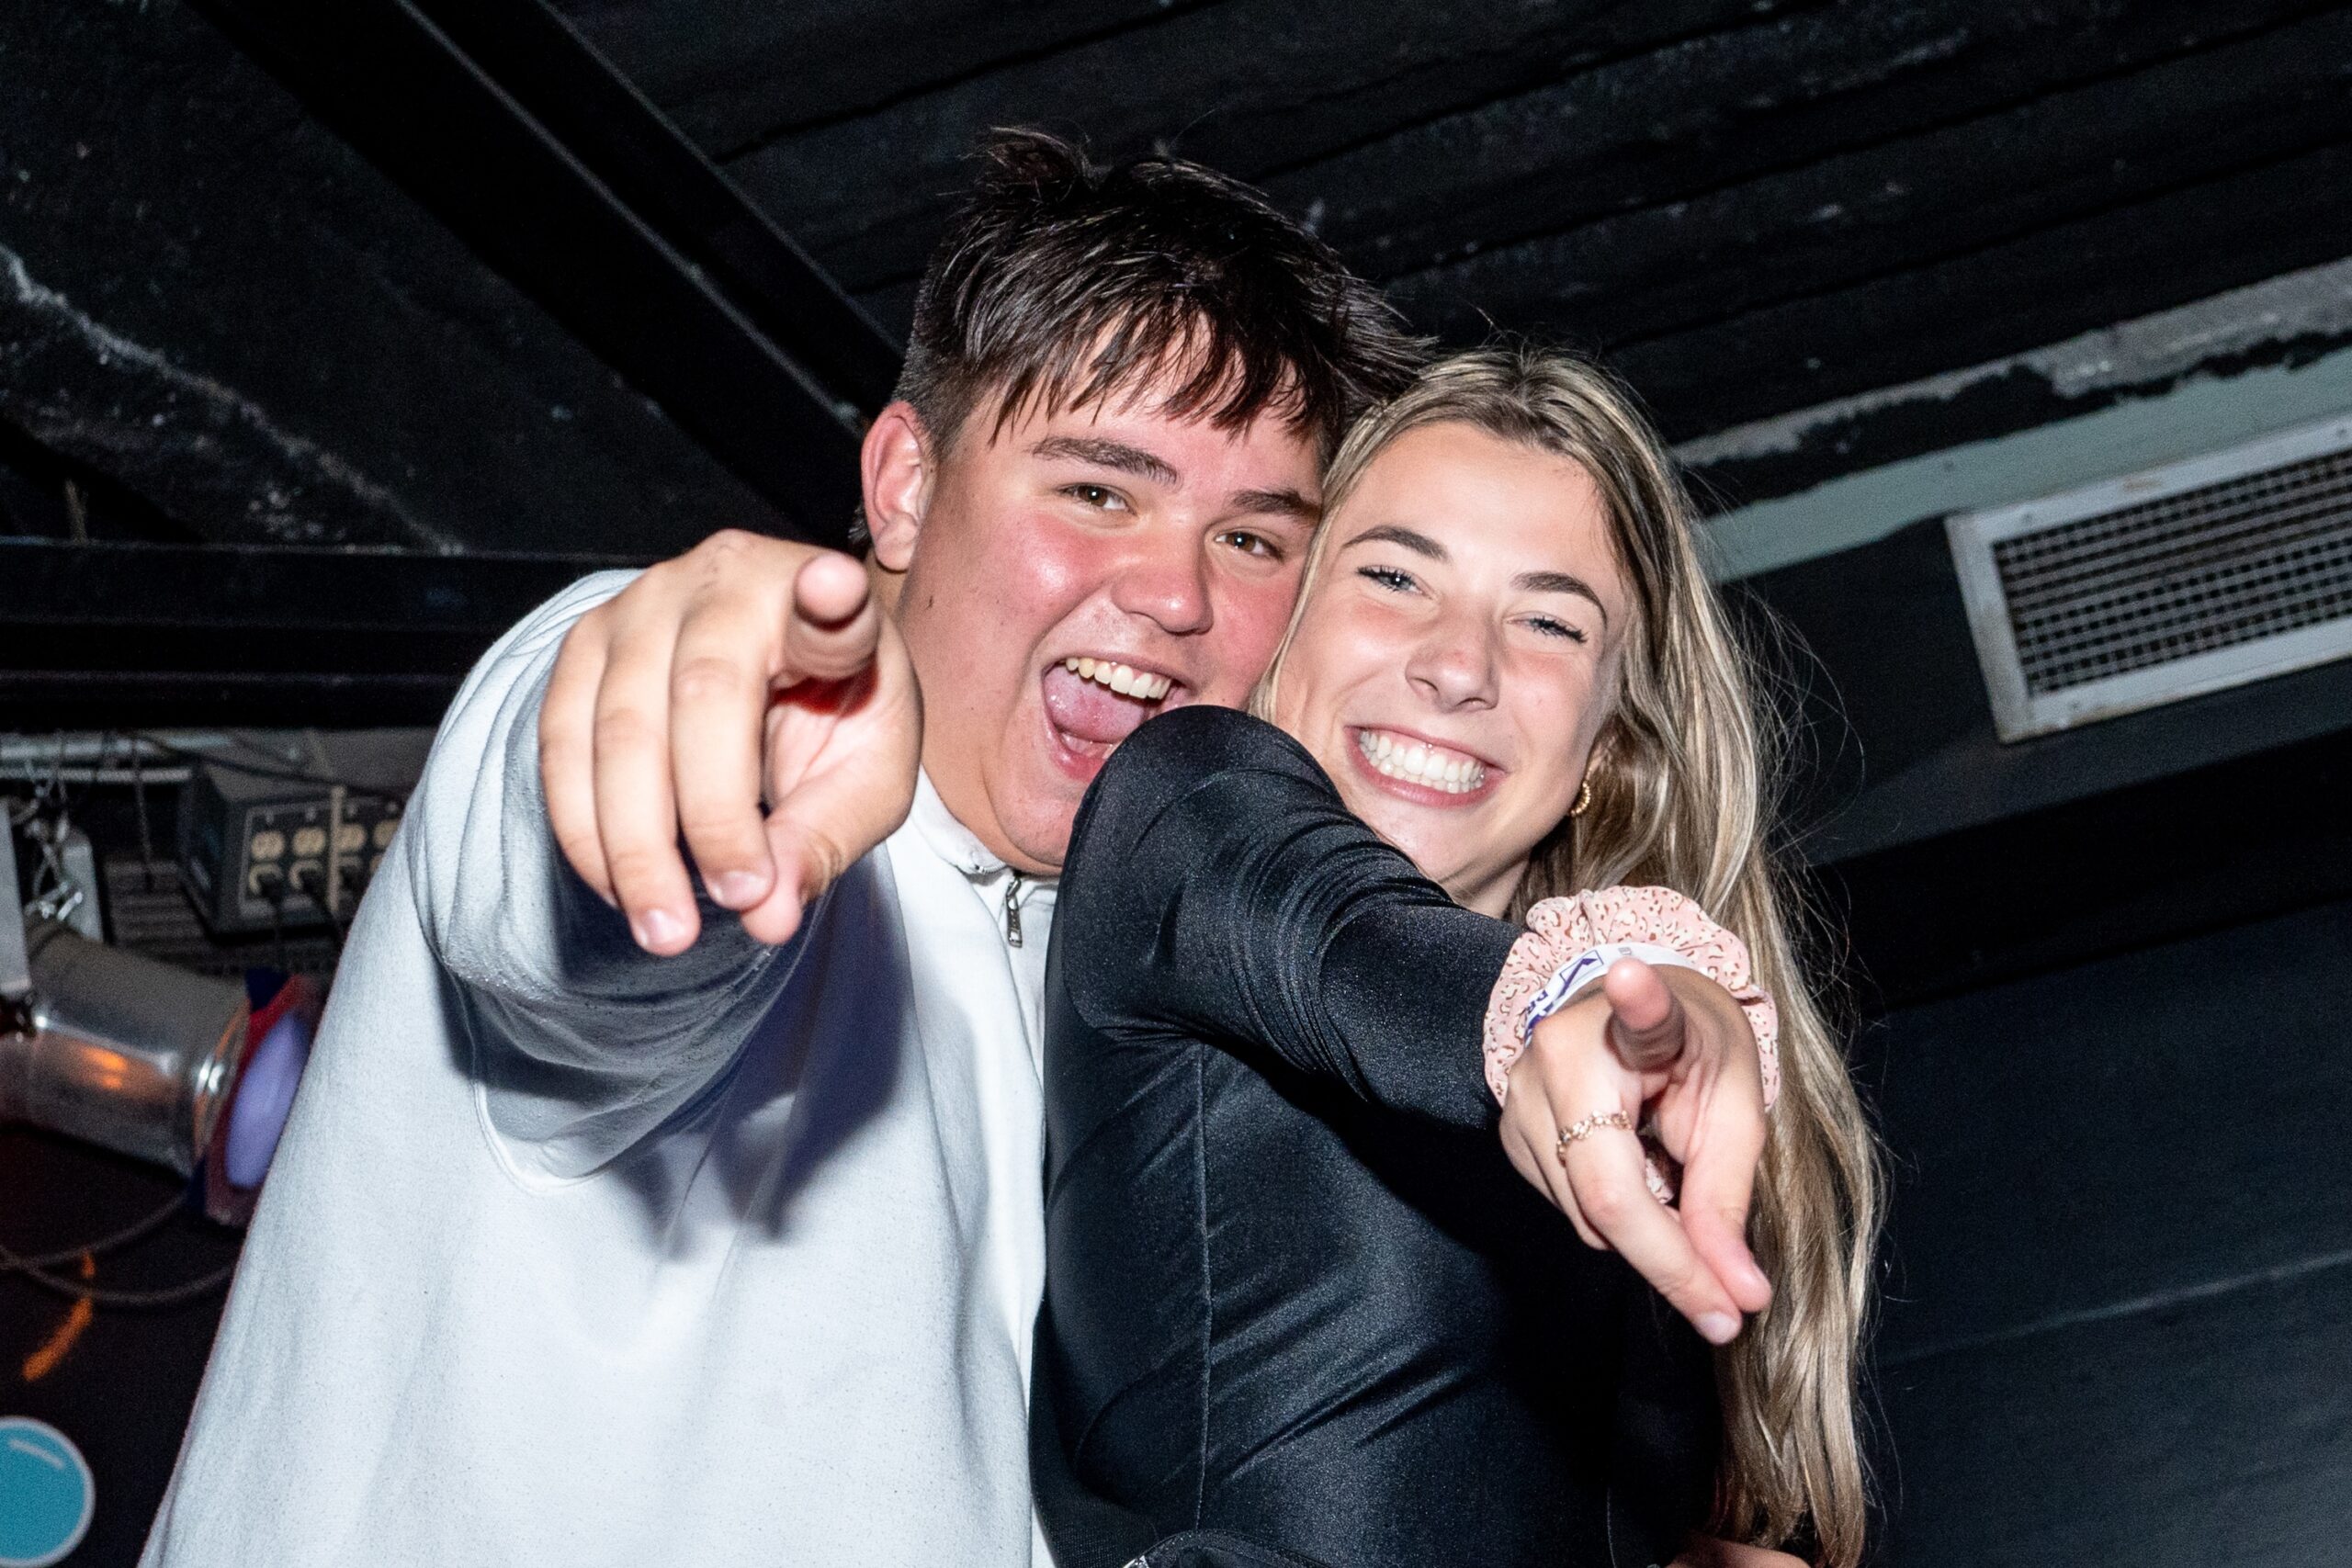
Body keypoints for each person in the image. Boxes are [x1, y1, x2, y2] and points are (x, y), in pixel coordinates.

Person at [142, 134, 1779, 1568]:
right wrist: (657, 716)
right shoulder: (758, 794)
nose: (1177, 594)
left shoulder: (1148, 1029)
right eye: (1099, 488)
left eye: (1255, 538)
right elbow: (565, 884)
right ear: (906, 490)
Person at [1032, 350, 1879, 1568]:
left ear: (1606, 745)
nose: (1459, 665)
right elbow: (1347, 943)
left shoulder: (1654, 1145)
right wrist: (1582, 985)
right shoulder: (1186, 811)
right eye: (1392, 576)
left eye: (1546, 621)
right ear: (1289, 629)